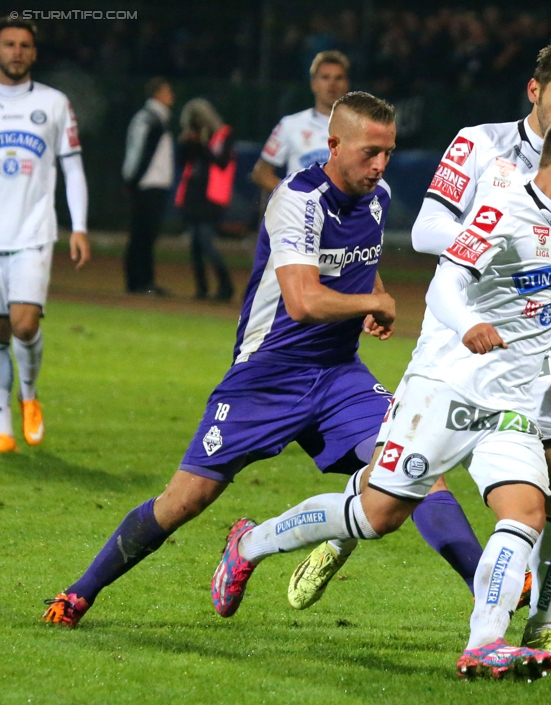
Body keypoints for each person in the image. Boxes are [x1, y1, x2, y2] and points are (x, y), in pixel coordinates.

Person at [211, 107, 551, 681]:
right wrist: (467, 325)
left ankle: (485, 643)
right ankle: (250, 543)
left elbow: (535, 315)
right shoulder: (503, 209)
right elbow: (444, 286)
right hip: (446, 389)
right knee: (376, 514)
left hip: (511, 401)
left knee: (527, 511)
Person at [300, 38, 551, 666]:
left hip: (531, 341)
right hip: (462, 335)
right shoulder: (479, 144)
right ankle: (340, 530)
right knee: (388, 502)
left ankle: (538, 631)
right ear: (535, 92)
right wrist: (499, 234)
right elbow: (425, 232)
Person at [42, 92, 399, 628]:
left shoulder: (377, 196)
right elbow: (301, 301)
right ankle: (80, 592)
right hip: (265, 377)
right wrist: (371, 301)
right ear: (335, 142)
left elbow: (358, 253)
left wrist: (372, 292)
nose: (381, 164)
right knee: (184, 500)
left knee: (407, 471)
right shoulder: (297, 193)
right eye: (372, 151)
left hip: (335, 373)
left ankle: (490, 614)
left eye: (388, 153)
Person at [0, 18, 90, 453]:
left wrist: (80, 226)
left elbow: (72, 167)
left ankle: (29, 396)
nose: (16, 51)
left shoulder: (54, 103)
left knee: (23, 322)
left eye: (24, 45)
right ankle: (2, 422)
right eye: (9, 44)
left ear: (34, 53)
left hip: (33, 232)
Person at [252, 50, 350, 192]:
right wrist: (292, 198)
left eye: (338, 78)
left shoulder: (360, 129)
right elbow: (261, 173)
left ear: (347, 84)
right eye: (325, 77)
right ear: (314, 84)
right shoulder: (290, 125)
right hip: (300, 214)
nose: (332, 84)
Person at [175, 98, 236, 302]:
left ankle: (225, 285)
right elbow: (183, 161)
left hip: (211, 197)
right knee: (195, 244)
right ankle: (202, 288)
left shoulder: (224, 135)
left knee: (205, 242)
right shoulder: (193, 136)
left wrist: (200, 144)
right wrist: (186, 143)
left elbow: (221, 162)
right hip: (193, 194)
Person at [122, 76, 175, 295]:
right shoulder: (153, 120)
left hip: (147, 184)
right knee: (143, 236)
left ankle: (140, 281)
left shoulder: (148, 118)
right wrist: (134, 182)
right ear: (158, 95)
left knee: (143, 235)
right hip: (149, 185)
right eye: (168, 91)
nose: (172, 95)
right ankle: (141, 282)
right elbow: (143, 154)